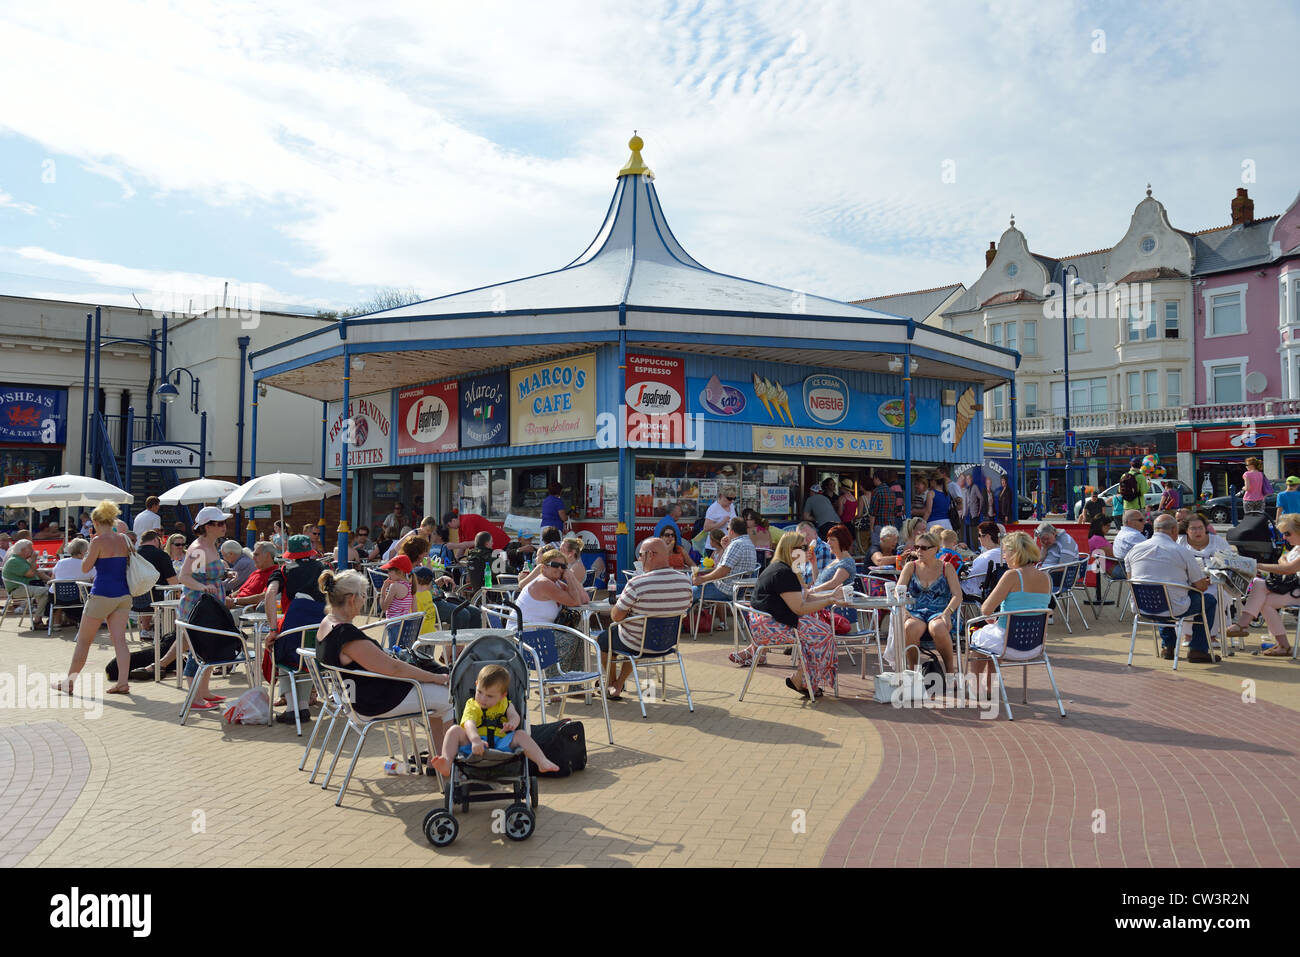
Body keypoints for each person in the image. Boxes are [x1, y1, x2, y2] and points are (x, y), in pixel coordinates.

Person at [317, 567, 454, 741]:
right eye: (364, 596)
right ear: (352, 599)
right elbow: (394, 668)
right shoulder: (347, 635)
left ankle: (436, 761)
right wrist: (434, 678)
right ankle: (446, 763)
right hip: (372, 702)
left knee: (437, 696)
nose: (364, 601)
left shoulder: (327, 623)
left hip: (352, 697)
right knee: (450, 700)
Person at [732, 532, 840, 699]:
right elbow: (800, 608)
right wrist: (830, 600)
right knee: (822, 634)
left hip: (768, 622)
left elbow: (807, 597)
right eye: (804, 548)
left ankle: (805, 680)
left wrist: (831, 596)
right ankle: (803, 680)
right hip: (768, 627)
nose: (810, 551)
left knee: (820, 629)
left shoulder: (787, 568)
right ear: (792, 551)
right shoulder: (783, 572)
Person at [52, 502, 135, 696]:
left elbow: (85, 568)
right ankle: (123, 683)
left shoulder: (98, 541)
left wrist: (92, 548)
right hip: (123, 594)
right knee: (120, 641)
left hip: (102, 593)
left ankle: (69, 683)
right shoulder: (123, 539)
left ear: (96, 522)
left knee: (84, 641)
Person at [599, 537, 694, 698]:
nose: (639, 559)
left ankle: (610, 684)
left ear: (650, 555)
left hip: (637, 643)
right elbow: (686, 606)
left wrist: (630, 612)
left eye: (641, 555)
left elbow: (616, 616)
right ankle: (619, 683)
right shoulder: (685, 581)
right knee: (635, 635)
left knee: (604, 639)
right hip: (668, 643)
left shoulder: (637, 583)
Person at [429, 663, 558, 777]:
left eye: (490, 696)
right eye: (479, 692)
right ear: (476, 685)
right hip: (473, 744)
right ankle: (446, 762)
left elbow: (514, 716)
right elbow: (469, 723)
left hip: (501, 742)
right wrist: (475, 740)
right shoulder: (473, 704)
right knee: (454, 730)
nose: (483, 699)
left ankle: (542, 761)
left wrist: (512, 723)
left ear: (503, 695)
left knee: (521, 735)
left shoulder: (505, 703)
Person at [967, 531, 1053, 696]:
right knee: (994, 636)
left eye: (1005, 551)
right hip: (1035, 645)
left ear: (1015, 553)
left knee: (978, 637)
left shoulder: (1012, 575)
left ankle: (976, 688)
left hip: (1009, 643)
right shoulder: (1046, 578)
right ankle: (991, 686)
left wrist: (995, 617)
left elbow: (986, 609)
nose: (1004, 556)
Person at [1126, 512, 1218, 662]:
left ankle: (1168, 646)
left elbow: (1131, 581)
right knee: (1208, 600)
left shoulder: (1133, 551)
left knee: (1161, 594)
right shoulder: (1182, 552)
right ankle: (1198, 649)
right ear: (1174, 530)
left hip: (1142, 606)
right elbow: (1201, 587)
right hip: (1173, 608)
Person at [173, 506, 234, 709]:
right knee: (198, 650)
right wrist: (203, 587)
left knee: (209, 647)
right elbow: (185, 576)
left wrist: (222, 576)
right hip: (198, 606)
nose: (224, 526)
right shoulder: (199, 547)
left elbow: (203, 574)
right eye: (219, 523)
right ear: (207, 526)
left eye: (223, 522)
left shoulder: (209, 545)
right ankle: (194, 697)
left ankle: (203, 692)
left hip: (209, 605)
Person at [1224, 512, 1300, 655]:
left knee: (1259, 585)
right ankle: (1282, 645)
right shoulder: (1297, 547)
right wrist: (1286, 563)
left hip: (1295, 590)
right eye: (1283, 534)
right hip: (1294, 589)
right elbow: (1283, 560)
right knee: (1263, 599)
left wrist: (1258, 565)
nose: (1284, 537)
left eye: (1287, 533)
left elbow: (1287, 568)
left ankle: (1243, 625)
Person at [895, 531, 962, 673]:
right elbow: (898, 592)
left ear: (935, 549)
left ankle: (950, 672)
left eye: (924, 548)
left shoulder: (946, 567)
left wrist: (947, 613)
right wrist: (904, 610)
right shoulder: (910, 566)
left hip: (941, 610)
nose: (919, 551)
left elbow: (957, 595)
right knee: (909, 627)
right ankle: (913, 672)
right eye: (917, 547)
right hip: (916, 611)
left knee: (938, 627)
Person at [692, 517, 757, 603]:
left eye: (727, 528)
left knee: (689, 592)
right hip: (739, 589)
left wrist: (702, 579)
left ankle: (678, 616)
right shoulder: (749, 543)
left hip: (727, 590)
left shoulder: (736, 544)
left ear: (731, 531)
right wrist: (725, 548)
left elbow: (723, 571)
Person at [3, 538, 53, 628]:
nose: (33, 550)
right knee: (47, 592)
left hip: (28, 587)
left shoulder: (21, 560)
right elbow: (31, 573)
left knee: (51, 590)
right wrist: (33, 559)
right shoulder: (14, 561)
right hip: (18, 589)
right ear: (22, 550)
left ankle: (50, 619)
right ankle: (38, 620)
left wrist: (51, 581)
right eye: (30, 548)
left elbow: (37, 572)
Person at [47, 537, 94, 629]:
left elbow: (53, 578)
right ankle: (82, 621)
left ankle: (57, 621)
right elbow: (93, 580)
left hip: (57, 598)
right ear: (82, 552)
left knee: (58, 590)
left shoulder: (60, 562)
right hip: (78, 597)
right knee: (88, 591)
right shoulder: (88, 564)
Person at [806, 524, 858, 600]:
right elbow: (818, 581)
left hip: (834, 605)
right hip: (822, 599)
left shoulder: (847, 562)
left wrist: (812, 590)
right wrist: (813, 563)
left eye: (832, 540)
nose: (828, 543)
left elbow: (834, 583)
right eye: (828, 539)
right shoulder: (835, 561)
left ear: (842, 542)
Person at [224, 540, 277, 610]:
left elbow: (264, 596)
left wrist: (235, 601)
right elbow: (240, 590)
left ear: (267, 556)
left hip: (245, 609)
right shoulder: (256, 572)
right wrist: (229, 598)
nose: (253, 557)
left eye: (256, 555)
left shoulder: (275, 574)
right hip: (235, 604)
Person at [962, 521, 1004, 598]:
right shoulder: (1004, 552)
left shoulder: (987, 556)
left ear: (988, 536)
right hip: (998, 592)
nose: (978, 538)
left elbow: (968, 574)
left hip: (975, 591)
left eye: (980, 535)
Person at [444, 511, 510, 554]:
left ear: (453, 520)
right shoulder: (461, 526)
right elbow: (462, 546)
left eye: (449, 526)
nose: (451, 528)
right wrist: (457, 560)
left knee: (497, 571)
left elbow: (473, 543)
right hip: (491, 545)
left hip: (499, 544)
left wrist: (454, 546)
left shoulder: (466, 521)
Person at [867, 474, 902, 548]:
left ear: (877, 478)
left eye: (874, 479)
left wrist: (871, 529)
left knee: (877, 548)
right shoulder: (891, 491)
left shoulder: (876, 491)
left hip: (879, 525)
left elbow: (873, 512)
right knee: (889, 548)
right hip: (891, 525)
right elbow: (895, 510)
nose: (873, 481)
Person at [796, 521, 834, 585]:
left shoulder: (823, 549)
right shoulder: (801, 549)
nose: (805, 538)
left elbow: (821, 581)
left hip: (817, 592)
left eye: (807, 534)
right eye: (801, 536)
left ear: (815, 534)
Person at [701, 488, 737, 554]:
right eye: (729, 498)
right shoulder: (713, 508)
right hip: (714, 547)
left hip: (728, 544)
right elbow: (706, 528)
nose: (731, 501)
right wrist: (721, 523)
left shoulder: (732, 506)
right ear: (721, 496)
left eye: (734, 499)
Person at [378, 553, 414, 618]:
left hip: (393, 624)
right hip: (404, 623)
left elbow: (384, 608)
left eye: (390, 571)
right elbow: (414, 608)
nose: (388, 574)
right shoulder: (411, 585)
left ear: (400, 571)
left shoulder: (394, 586)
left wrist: (383, 590)